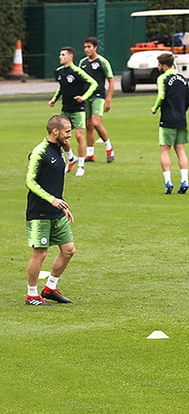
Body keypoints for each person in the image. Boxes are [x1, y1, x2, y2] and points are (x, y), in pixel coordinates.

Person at [24, 115, 78, 305]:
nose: (69, 135)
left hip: (56, 210)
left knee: (69, 250)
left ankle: (50, 288)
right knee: (40, 254)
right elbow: (30, 181)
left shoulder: (59, 151)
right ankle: (31, 295)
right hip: (39, 212)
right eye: (67, 131)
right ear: (55, 131)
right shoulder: (40, 152)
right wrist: (51, 200)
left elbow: (54, 182)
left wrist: (61, 203)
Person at [48, 46, 98, 177]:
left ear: (70, 56)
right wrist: (54, 99)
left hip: (78, 109)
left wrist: (84, 97)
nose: (60, 57)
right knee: (61, 136)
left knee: (79, 136)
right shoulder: (59, 72)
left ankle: (81, 165)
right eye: (60, 54)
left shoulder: (77, 71)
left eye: (63, 55)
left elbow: (94, 83)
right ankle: (71, 158)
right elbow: (62, 88)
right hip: (66, 108)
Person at [151, 52, 189, 194]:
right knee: (181, 150)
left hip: (167, 119)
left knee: (165, 150)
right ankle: (184, 180)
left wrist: (154, 108)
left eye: (158, 64)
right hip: (181, 119)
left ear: (163, 65)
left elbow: (161, 96)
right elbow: (188, 100)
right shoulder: (182, 78)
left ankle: (168, 182)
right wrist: (181, 111)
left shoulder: (163, 78)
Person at [79, 37, 115, 163]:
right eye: (85, 47)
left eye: (89, 47)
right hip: (86, 97)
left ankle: (109, 149)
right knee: (88, 125)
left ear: (95, 47)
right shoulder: (82, 63)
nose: (86, 49)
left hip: (98, 96)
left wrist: (108, 99)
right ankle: (90, 154)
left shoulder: (102, 62)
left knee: (96, 123)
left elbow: (111, 81)